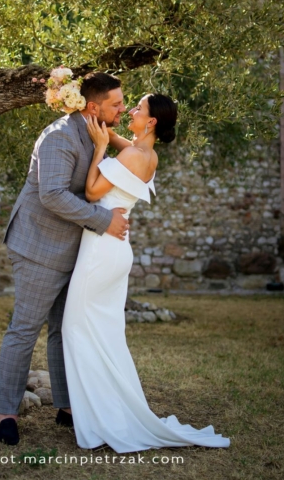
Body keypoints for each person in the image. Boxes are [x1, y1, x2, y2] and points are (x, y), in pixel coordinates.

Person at [62, 93, 231, 452]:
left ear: (151, 121)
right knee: (105, 337)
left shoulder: (132, 156)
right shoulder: (146, 154)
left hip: (102, 251)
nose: (131, 111)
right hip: (115, 250)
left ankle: (100, 419)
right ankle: (106, 413)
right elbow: (120, 141)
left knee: (76, 329)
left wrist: (98, 149)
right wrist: (93, 118)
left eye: (138, 108)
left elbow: (91, 193)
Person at [0, 72, 129, 446]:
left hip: (74, 250)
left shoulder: (97, 132)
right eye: (117, 104)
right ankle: (6, 414)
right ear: (93, 107)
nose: (122, 108)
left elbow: (133, 153)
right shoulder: (60, 137)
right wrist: (104, 220)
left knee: (63, 330)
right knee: (25, 329)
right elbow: (52, 195)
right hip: (38, 247)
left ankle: (67, 407)